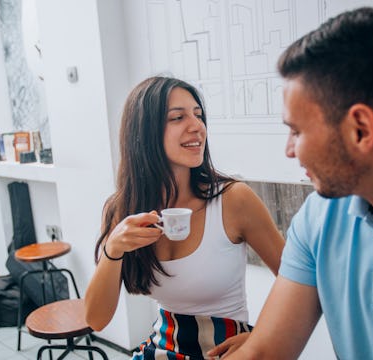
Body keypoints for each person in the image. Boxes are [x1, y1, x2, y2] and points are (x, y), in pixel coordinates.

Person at [210, 7, 373, 360]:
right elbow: (264, 352)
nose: (289, 150)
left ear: (360, 130)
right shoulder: (320, 216)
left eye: (297, 130)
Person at [84, 76, 285, 359]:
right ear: (144, 132)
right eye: (177, 117)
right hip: (164, 348)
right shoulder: (121, 209)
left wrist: (261, 336)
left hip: (225, 349)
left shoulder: (233, 199)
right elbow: (95, 319)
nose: (197, 127)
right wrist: (113, 248)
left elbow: (297, 281)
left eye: (198, 115)